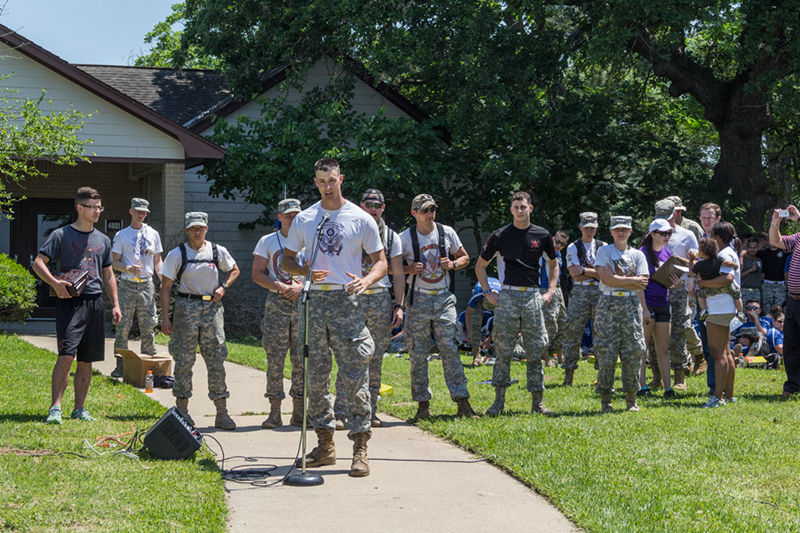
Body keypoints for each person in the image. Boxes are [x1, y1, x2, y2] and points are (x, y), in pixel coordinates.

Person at [282, 158, 387, 477]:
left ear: (341, 178)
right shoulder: (306, 218)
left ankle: (360, 447)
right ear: (315, 183)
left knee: (355, 375)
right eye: (321, 181)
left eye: (332, 180)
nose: (327, 186)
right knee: (316, 377)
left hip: (347, 301)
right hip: (314, 300)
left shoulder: (359, 218)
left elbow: (380, 261)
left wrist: (366, 280)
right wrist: (304, 271)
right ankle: (325, 446)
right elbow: (287, 261)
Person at [33, 187, 122, 424]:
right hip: (70, 303)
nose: (97, 212)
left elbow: (109, 274)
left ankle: (79, 408)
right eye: (92, 207)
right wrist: (55, 283)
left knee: (87, 359)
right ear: (80, 208)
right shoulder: (61, 235)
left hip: (94, 302)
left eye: (99, 207)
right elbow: (38, 263)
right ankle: (55, 408)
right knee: (66, 355)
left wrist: (115, 304)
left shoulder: (103, 239)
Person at [476, 191, 559, 416]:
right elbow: (480, 266)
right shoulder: (500, 235)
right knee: (502, 350)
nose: (520, 211)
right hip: (508, 296)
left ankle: (538, 403)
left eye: (523, 207)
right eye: (516, 207)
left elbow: (553, 265)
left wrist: (550, 290)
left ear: (530, 208)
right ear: (511, 210)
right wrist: (487, 292)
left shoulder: (542, 235)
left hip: (532, 296)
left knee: (536, 349)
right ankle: (498, 403)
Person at [401, 193, 478, 421]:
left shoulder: (446, 232)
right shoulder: (404, 238)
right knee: (417, 353)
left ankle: (462, 401)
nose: (430, 214)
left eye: (432, 209)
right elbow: (390, 267)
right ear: (414, 212)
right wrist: (409, 270)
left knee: (450, 349)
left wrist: (453, 264)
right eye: (425, 210)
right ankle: (423, 404)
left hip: (444, 298)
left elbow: (465, 257)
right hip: (418, 298)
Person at [160, 212, 240, 430]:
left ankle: (221, 411)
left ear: (206, 229)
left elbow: (234, 270)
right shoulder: (177, 254)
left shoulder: (216, 251)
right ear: (187, 230)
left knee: (216, 360)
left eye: (201, 228)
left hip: (212, 309)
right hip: (186, 308)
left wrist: (223, 287)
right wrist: (165, 318)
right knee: (184, 360)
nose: (197, 231)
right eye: (193, 228)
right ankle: (182, 409)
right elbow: (165, 286)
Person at [333, 188, 405, 429]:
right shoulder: (350, 230)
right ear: (361, 206)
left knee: (375, 358)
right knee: (348, 355)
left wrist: (399, 305)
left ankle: (370, 411)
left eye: (378, 205)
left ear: (383, 208)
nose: (373, 209)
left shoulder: (392, 237)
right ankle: (341, 412)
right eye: (368, 204)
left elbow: (397, 274)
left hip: (379, 299)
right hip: (352, 297)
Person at [252, 198, 305, 429]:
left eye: (296, 215)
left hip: (303, 303)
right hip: (277, 304)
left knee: (302, 359)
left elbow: (321, 271)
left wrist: (302, 286)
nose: (292, 219)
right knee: (275, 358)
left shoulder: (309, 241)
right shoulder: (268, 241)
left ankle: (299, 412)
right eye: (288, 215)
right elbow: (257, 273)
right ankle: (274, 411)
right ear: (280, 217)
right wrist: (280, 286)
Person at [594, 215, 649, 413]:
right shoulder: (604, 251)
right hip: (608, 303)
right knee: (607, 353)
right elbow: (606, 279)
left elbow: (643, 282)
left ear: (630, 231)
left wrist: (617, 278)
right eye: (617, 229)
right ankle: (606, 400)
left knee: (633, 351)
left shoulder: (638, 255)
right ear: (610, 231)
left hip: (631, 304)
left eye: (624, 229)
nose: (620, 232)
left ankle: (631, 399)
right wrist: (630, 280)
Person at [110, 197, 163, 378]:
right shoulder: (121, 235)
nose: (141, 215)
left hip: (147, 284)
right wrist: (127, 268)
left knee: (148, 325)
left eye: (144, 212)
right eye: (138, 211)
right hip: (127, 284)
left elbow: (157, 260)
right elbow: (113, 261)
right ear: (131, 211)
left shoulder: (153, 234)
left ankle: (149, 366)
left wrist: (163, 278)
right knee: (122, 326)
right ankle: (120, 366)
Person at [654, 198, 701, 392]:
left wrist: (680, 260)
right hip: (656, 286)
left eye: (668, 217)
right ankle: (657, 376)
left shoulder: (687, 234)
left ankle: (680, 374)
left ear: (675, 214)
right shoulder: (652, 233)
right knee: (655, 331)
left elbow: (697, 262)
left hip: (678, 286)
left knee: (679, 329)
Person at [697, 221, 739, 407]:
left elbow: (727, 279)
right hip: (724, 308)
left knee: (718, 353)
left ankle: (717, 397)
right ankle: (728, 395)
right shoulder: (724, 254)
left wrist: (703, 284)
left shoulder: (724, 254)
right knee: (726, 352)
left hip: (719, 309)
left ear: (717, 238)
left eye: (711, 235)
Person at [561, 212, 605, 386]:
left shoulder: (603, 246)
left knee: (601, 333)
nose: (590, 231)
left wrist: (585, 271)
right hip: (579, 292)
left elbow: (607, 274)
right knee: (573, 333)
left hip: (600, 292)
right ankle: (568, 375)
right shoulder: (573, 247)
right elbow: (574, 275)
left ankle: (602, 374)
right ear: (580, 227)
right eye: (586, 228)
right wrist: (596, 273)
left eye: (592, 228)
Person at [638, 219, 680, 398]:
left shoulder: (667, 254)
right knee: (643, 347)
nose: (667, 237)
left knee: (663, 348)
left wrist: (676, 284)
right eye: (663, 233)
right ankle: (641, 386)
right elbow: (638, 285)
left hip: (664, 303)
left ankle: (668, 388)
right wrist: (644, 308)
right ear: (652, 234)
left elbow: (670, 282)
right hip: (646, 303)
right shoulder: (641, 254)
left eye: (669, 233)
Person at [768, 205, 800, 399]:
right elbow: (775, 241)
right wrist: (775, 223)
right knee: (791, 345)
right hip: (794, 300)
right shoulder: (797, 239)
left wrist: (798, 218)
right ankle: (793, 385)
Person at [691, 238, 744, 320]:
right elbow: (727, 263)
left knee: (700, 294)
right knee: (736, 293)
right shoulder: (718, 260)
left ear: (701, 252)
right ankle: (740, 312)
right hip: (723, 288)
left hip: (708, 290)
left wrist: (691, 259)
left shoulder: (699, 265)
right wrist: (735, 265)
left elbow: (692, 272)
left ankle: (704, 310)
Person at [539, 230, 569, 366]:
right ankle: (544, 355)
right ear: (552, 238)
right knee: (549, 322)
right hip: (544, 289)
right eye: (557, 242)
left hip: (558, 290)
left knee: (563, 322)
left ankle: (560, 354)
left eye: (562, 244)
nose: (559, 245)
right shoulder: (543, 250)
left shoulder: (559, 253)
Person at [464, 276, 501, 366]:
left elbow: (498, 322)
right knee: (475, 323)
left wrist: (490, 338)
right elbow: (468, 314)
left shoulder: (502, 296)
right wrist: (469, 333)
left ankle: (498, 355)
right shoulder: (478, 294)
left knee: (501, 325)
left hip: (495, 297)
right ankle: (476, 357)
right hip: (482, 293)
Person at [740, 238, 763, 307]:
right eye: (750, 247)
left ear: (758, 248)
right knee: (743, 315)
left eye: (754, 247)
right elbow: (738, 277)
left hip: (756, 292)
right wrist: (750, 270)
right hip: (744, 291)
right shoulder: (741, 260)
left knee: (755, 314)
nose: (752, 250)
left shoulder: (759, 260)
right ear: (747, 248)